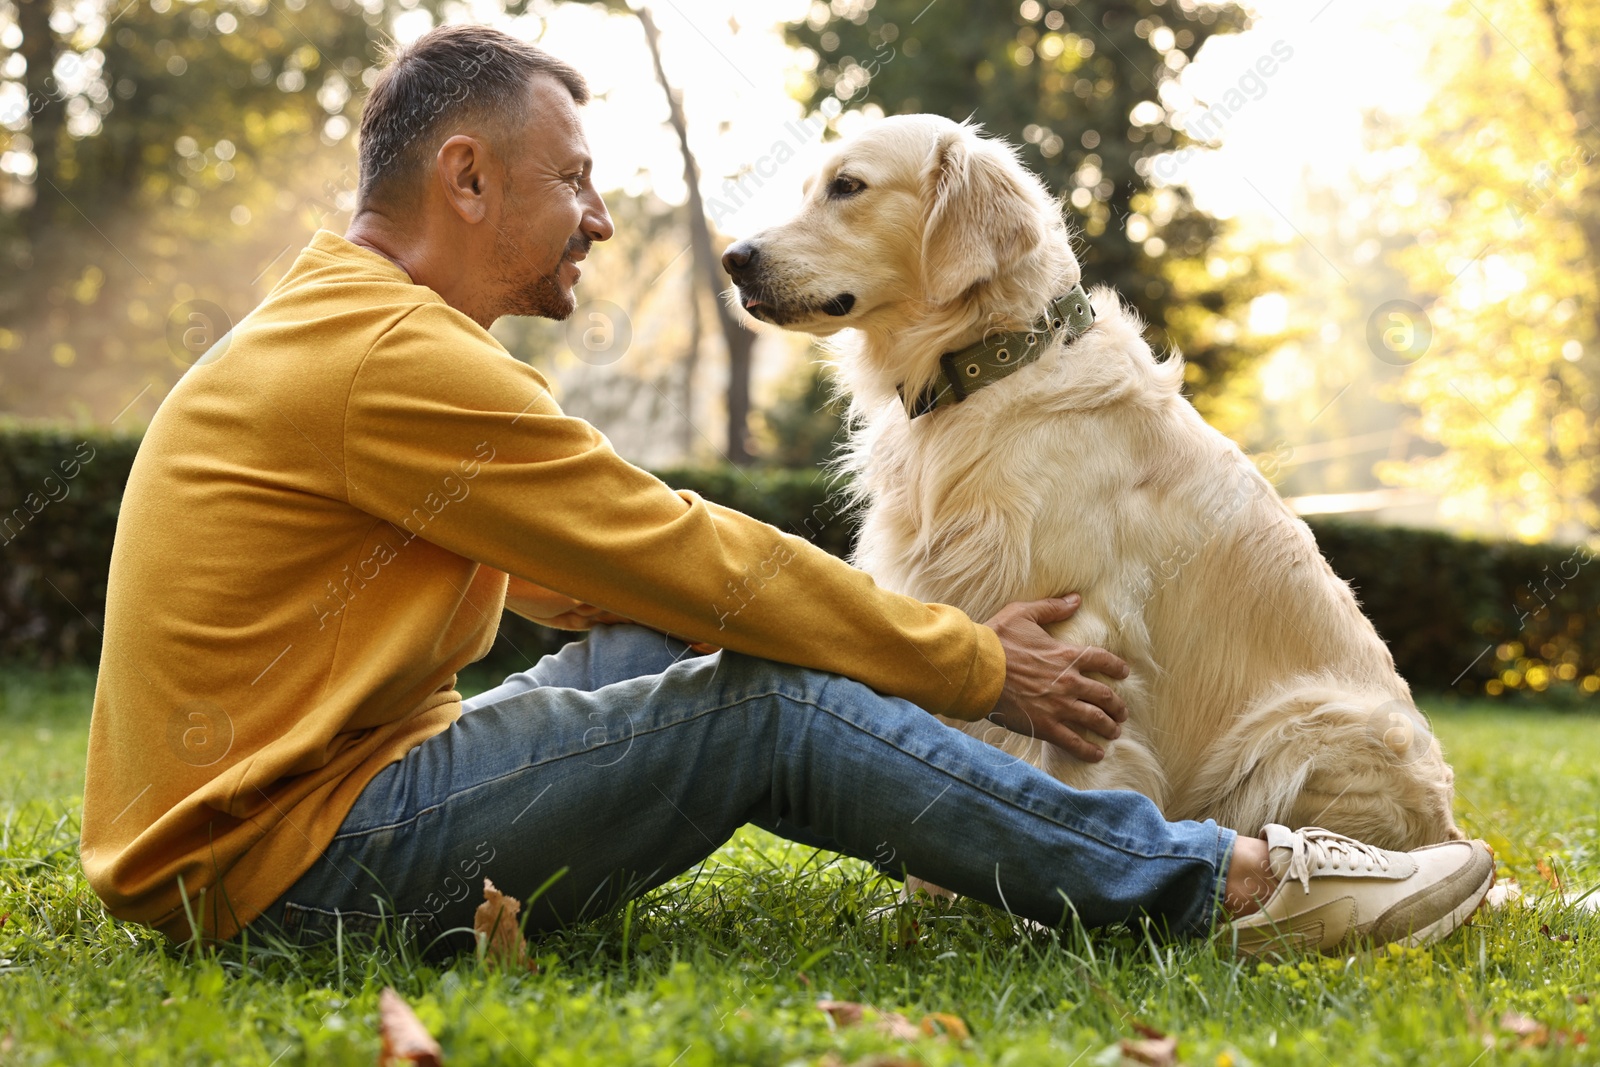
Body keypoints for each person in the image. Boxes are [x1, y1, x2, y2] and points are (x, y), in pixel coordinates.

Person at [80, 24, 1494, 963]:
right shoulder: (398, 359)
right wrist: (971, 663)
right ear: (464, 176)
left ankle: (1134, 847)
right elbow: (696, 558)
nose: (601, 217)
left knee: (683, 640)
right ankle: (1229, 885)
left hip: (275, 822)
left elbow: (598, 578)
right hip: (285, 870)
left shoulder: (342, 324)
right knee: (760, 693)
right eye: (573, 181)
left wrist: (593, 592)